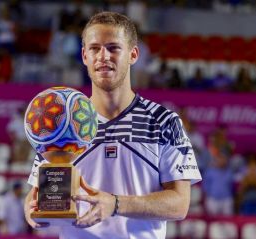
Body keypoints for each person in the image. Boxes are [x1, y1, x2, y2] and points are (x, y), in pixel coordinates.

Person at [25, 11, 201, 239]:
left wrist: (116, 204)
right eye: (95, 48)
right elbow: (36, 193)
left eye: (113, 47)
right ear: (84, 56)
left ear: (133, 54)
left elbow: (180, 204)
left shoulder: (164, 121)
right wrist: (32, 210)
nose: (103, 56)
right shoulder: (62, 120)